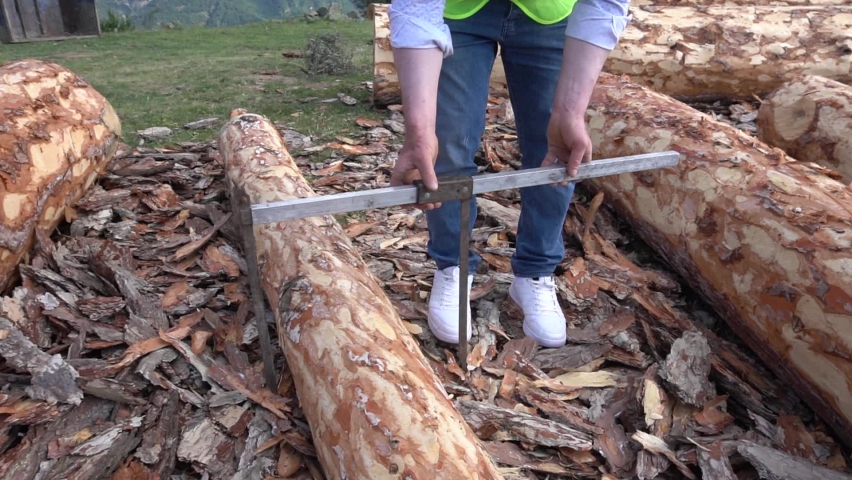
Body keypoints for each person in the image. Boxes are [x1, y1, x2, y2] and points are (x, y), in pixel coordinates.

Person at [387, 0, 631, 348]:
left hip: (551, 13)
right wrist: (419, 130)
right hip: (459, 12)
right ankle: (452, 267)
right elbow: (416, 8)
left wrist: (570, 111)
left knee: (555, 152)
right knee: (448, 145)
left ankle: (535, 273)